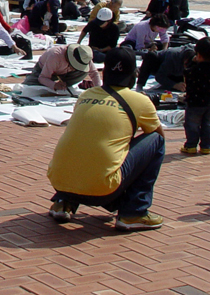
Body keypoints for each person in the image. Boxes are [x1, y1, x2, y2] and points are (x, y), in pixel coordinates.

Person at [47, 45, 166, 231]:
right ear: (133, 75)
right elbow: (158, 135)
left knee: (85, 139)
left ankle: (63, 202)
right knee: (156, 142)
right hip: (103, 190)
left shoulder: (86, 96)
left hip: (60, 183)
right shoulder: (140, 101)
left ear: (104, 73)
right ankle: (134, 212)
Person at [180, 37, 210, 155]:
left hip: (194, 102)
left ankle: (191, 145)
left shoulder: (194, 70)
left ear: (198, 54)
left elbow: (186, 73)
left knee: (192, 125)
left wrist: (192, 61)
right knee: (207, 124)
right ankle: (206, 146)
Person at [23, 43, 100, 92]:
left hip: (64, 73)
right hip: (44, 70)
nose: (74, 68)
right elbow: (42, 77)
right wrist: (54, 85)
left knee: (84, 72)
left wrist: (99, 90)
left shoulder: (84, 56)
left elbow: (94, 73)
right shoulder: (55, 56)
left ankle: (64, 85)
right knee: (29, 86)